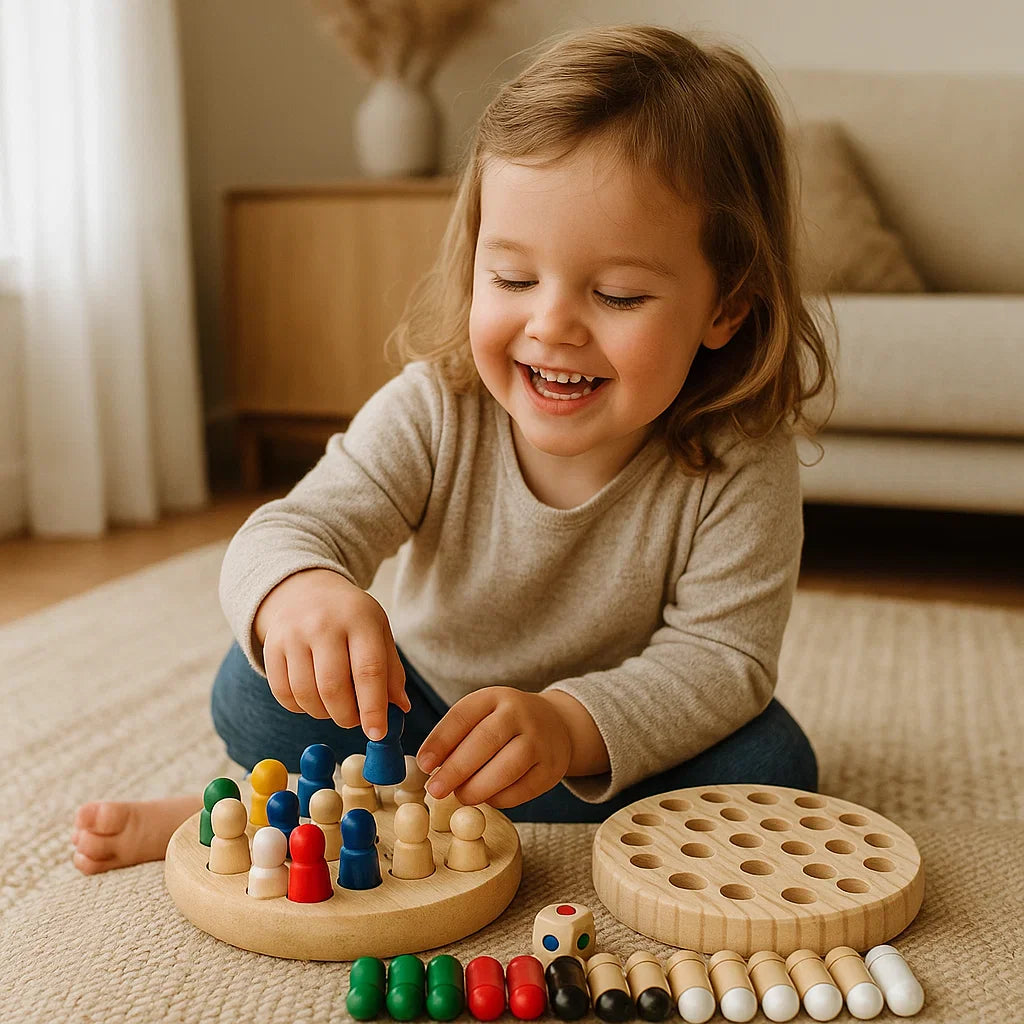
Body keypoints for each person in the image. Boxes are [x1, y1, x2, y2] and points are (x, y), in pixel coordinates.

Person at [72, 23, 834, 874]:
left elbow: (722, 662)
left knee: (772, 766)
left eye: (617, 294)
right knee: (251, 683)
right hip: (413, 719)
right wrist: (302, 592)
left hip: (590, 747)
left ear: (726, 306)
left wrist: (568, 728)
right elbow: (293, 527)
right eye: (512, 279)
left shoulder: (741, 459)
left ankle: (329, 816)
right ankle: (276, 814)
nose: (551, 325)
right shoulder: (439, 408)